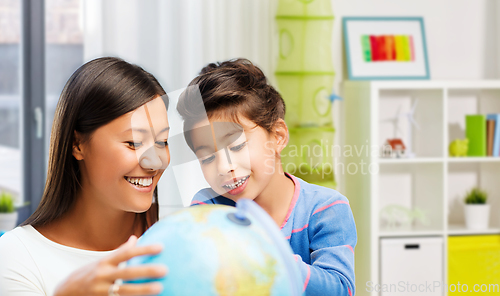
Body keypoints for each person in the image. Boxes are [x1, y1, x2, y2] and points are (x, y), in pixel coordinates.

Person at [177, 58, 357, 296]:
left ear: (278, 137)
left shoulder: (327, 208)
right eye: (207, 158)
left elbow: (340, 289)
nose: (224, 167)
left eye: (237, 145)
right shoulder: (208, 208)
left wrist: (264, 251)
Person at [0, 57, 170, 296]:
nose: (155, 162)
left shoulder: (179, 237)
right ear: (77, 144)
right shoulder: (18, 256)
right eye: (134, 143)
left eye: (162, 141)